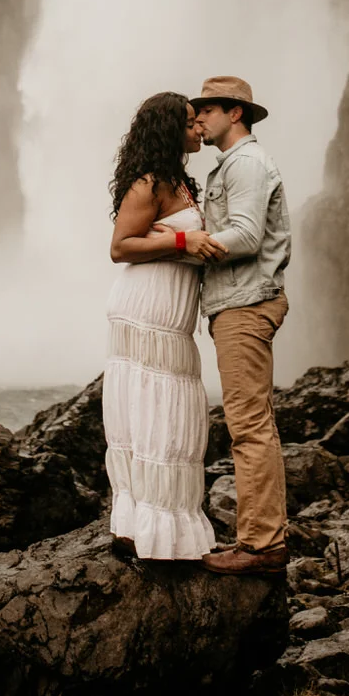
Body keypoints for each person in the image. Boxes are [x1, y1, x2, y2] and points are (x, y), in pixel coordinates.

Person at [104, 92, 228, 560]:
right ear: (168, 129)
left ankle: (163, 530)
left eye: (200, 122)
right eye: (191, 123)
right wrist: (181, 238)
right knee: (149, 409)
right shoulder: (150, 183)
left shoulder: (182, 182)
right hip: (145, 306)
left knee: (168, 410)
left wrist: (179, 238)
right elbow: (120, 247)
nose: (199, 130)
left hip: (170, 311)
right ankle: (145, 530)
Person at [192, 77, 292, 577]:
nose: (198, 118)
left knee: (249, 425)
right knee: (250, 422)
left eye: (206, 109)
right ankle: (261, 538)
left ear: (236, 113)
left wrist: (189, 242)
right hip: (239, 303)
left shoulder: (246, 163)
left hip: (246, 304)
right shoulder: (232, 165)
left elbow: (249, 235)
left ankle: (262, 545)